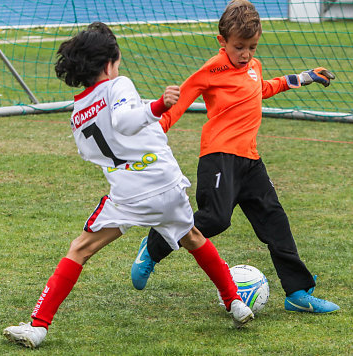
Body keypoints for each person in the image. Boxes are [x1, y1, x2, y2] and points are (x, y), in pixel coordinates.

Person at [3, 21, 253, 349]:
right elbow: (125, 120)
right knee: (193, 236)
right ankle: (235, 302)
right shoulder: (118, 84)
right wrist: (158, 107)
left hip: (129, 192)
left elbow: (90, 150)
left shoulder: (78, 112)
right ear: (108, 63)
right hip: (164, 180)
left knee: (81, 249)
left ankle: (38, 326)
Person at [131, 0, 340, 314]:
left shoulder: (252, 66)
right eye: (239, 47)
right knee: (215, 219)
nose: (246, 54)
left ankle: (298, 292)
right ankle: (155, 243)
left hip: (250, 162)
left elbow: (261, 88)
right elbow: (181, 101)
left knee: (276, 223)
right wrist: (155, 129)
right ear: (222, 42)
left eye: (252, 47)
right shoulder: (211, 69)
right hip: (219, 157)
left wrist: (304, 77)